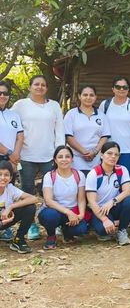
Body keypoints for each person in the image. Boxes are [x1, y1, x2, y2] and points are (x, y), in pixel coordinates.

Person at [12, 74, 65, 240]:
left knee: (52, 192)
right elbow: (10, 124)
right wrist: (14, 151)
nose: (40, 87)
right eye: (36, 84)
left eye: (43, 84)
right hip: (26, 156)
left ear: (47, 88)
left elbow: (60, 130)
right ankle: (31, 226)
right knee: (27, 191)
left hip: (49, 156)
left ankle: (55, 224)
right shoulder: (20, 105)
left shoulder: (54, 106)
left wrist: (59, 153)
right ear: (30, 87)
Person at [85, 141, 130, 245]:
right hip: (99, 209)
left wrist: (112, 202)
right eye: (109, 153)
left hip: (114, 205)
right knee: (103, 231)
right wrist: (104, 220)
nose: (113, 157)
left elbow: (127, 191)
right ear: (102, 155)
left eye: (116, 154)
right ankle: (96, 225)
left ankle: (122, 231)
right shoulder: (94, 174)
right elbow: (91, 201)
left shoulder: (122, 170)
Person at [38, 145, 88, 250]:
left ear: (72, 159)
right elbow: (48, 201)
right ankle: (51, 235)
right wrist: (68, 212)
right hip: (54, 211)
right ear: (55, 160)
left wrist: (81, 214)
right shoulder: (49, 176)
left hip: (72, 212)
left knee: (81, 229)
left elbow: (81, 199)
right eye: (60, 157)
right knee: (50, 216)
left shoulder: (79, 175)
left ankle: (66, 231)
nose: (64, 159)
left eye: (67, 156)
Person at [99, 76, 130, 177]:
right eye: (118, 87)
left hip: (128, 151)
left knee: (125, 180)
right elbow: (99, 128)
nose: (121, 89)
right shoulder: (105, 104)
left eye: (125, 87)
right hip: (108, 150)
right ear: (113, 89)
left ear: (129, 89)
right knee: (107, 178)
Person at [64, 85, 111, 175]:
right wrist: (83, 151)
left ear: (95, 97)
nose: (88, 98)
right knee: (79, 184)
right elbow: (68, 136)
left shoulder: (101, 115)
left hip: (96, 158)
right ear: (79, 96)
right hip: (76, 158)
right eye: (85, 95)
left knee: (94, 184)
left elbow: (105, 136)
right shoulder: (71, 114)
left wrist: (95, 151)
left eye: (91, 95)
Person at [0, 80, 24, 241]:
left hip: (11, 161)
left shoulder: (13, 114)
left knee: (8, 193)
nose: (2, 96)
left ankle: (5, 227)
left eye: (5, 93)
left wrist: (15, 156)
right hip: (6, 157)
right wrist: (9, 153)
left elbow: (20, 136)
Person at [0, 160, 37, 254]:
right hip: (2, 221)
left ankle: (18, 240)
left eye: (6, 175)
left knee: (30, 207)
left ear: (10, 177)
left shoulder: (10, 188)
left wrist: (11, 207)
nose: (2, 178)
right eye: (0, 174)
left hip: (6, 220)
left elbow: (33, 199)